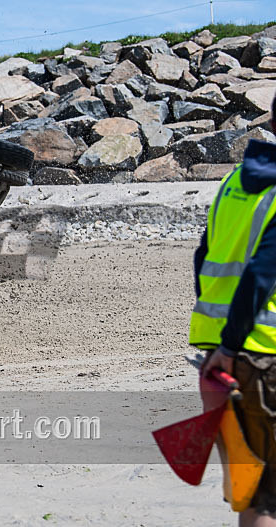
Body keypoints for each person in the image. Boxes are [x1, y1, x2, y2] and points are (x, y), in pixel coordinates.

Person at [194, 93, 276, 526]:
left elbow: (203, 258)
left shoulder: (233, 182)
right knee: (268, 498)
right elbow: (261, 275)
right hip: (264, 356)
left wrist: (219, 346)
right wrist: (230, 346)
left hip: (223, 357)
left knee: (251, 493)